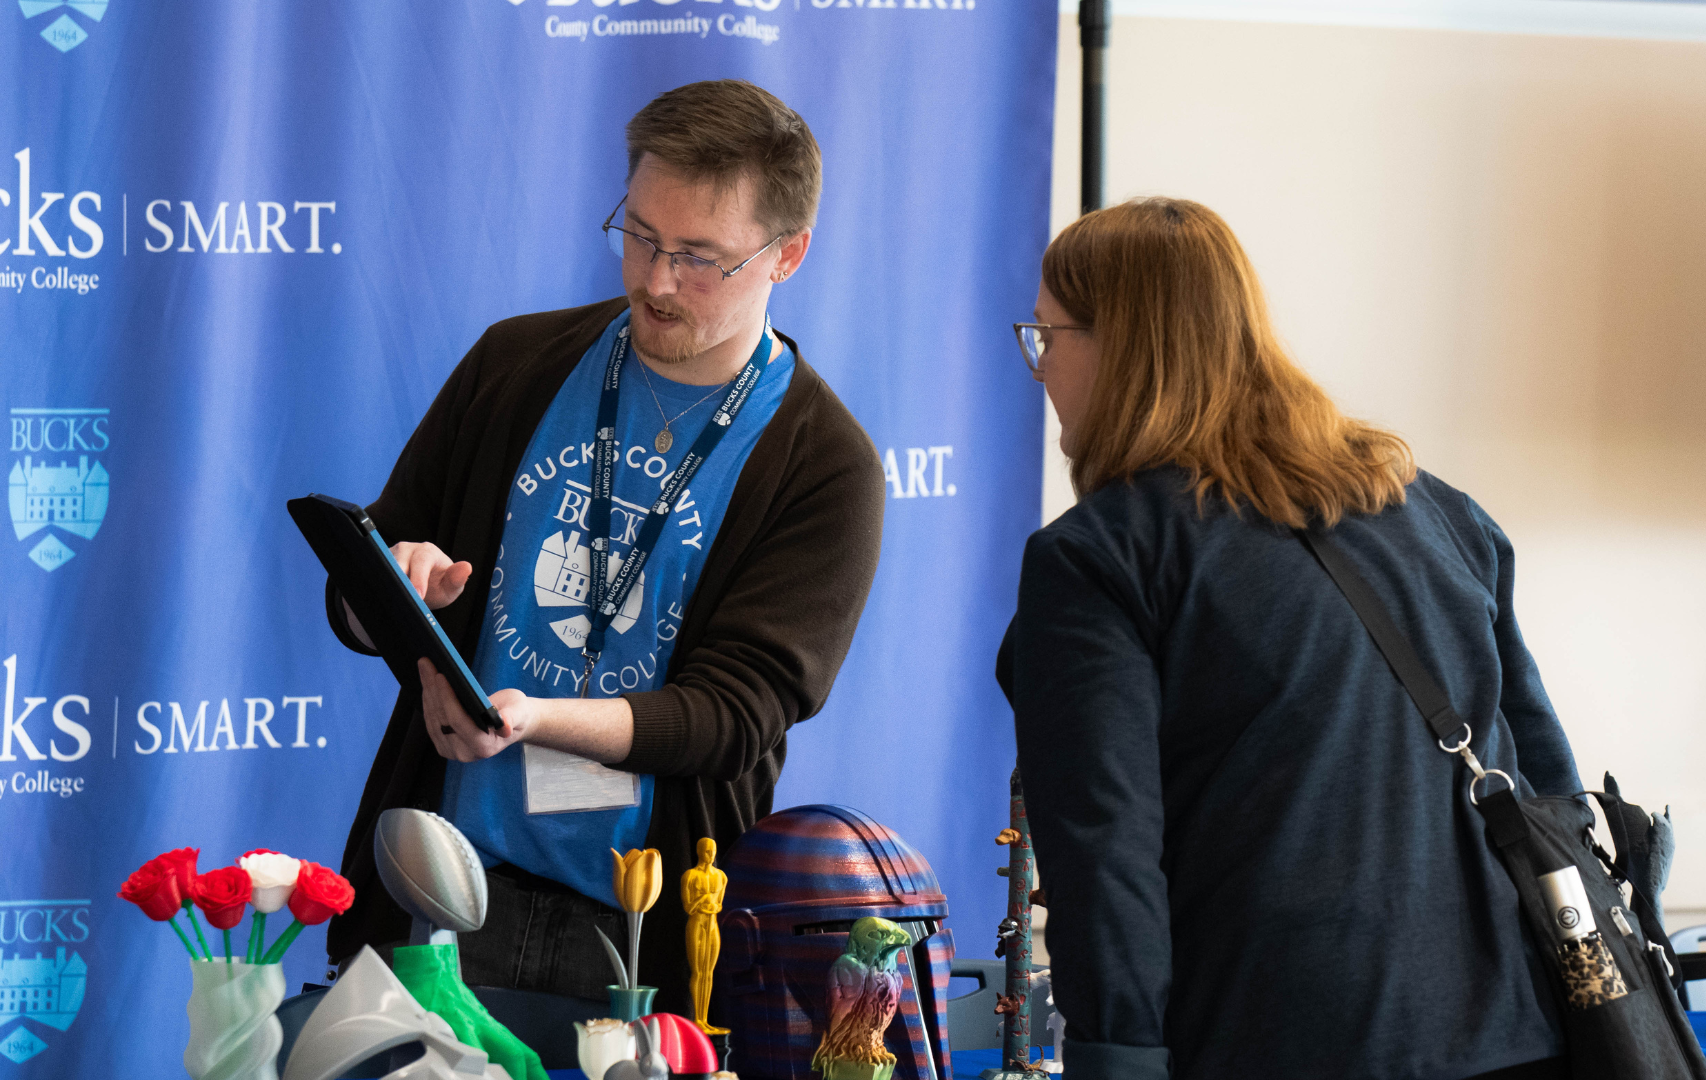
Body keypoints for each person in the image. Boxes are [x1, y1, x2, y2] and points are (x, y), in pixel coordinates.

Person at [322, 79, 884, 1007]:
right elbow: (362, 586)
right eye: (640, 234)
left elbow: (733, 715)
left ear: (789, 255)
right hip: (446, 895)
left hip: (648, 937)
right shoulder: (515, 364)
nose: (655, 280)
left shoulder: (826, 465)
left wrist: (535, 718)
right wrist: (394, 588)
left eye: (700, 258)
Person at [998, 198, 1582, 1080]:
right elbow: (1547, 784)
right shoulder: (1436, 512)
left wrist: (1117, 1057)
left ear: (1122, 346)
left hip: (1277, 1038)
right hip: (1517, 1029)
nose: (1041, 370)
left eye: (1049, 335)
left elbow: (1105, 852)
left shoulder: (1099, 559)